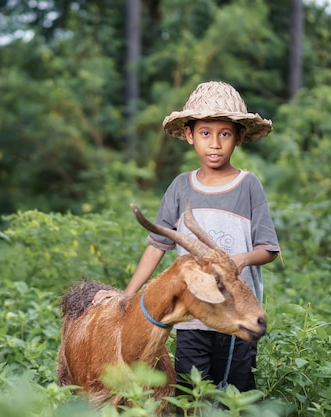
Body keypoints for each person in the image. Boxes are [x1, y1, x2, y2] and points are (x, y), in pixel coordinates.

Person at [94, 81, 280, 395]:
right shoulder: (181, 187)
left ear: (239, 137)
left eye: (225, 134)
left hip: (237, 315)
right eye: (205, 133)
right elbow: (157, 246)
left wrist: (241, 259)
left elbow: (269, 249)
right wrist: (126, 297)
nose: (215, 144)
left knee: (236, 395)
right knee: (189, 396)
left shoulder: (249, 186)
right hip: (191, 320)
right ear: (190, 135)